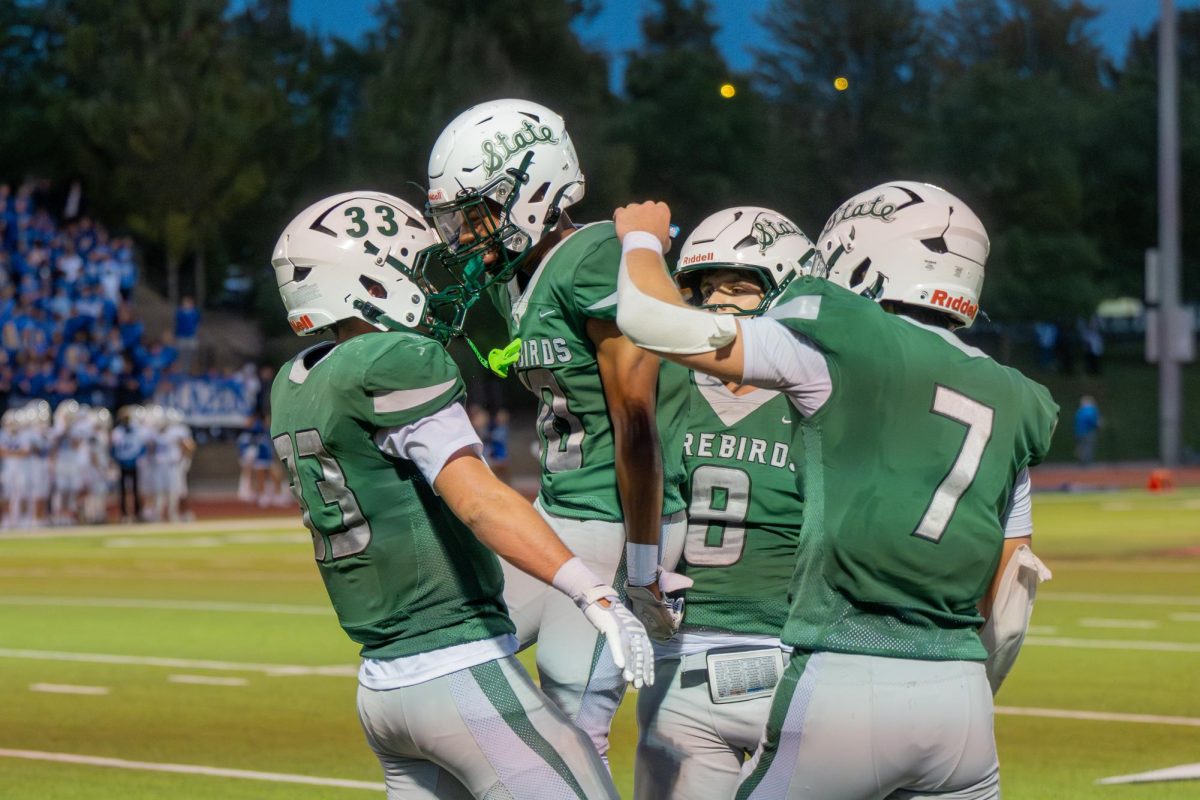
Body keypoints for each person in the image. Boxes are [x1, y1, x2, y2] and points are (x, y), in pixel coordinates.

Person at [612, 182, 1059, 799]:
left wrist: (639, 237)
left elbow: (648, 319)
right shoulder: (1013, 395)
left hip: (845, 676)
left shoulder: (843, 340)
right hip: (961, 703)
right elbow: (1011, 599)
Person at [269, 191, 652, 799]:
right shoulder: (396, 360)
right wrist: (592, 592)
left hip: (382, 687)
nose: (429, 284)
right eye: (412, 267)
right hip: (455, 670)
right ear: (369, 277)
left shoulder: (296, 382)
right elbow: (478, 501)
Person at [426, 98, 689, 762]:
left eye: (477, 214)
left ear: (535, 189)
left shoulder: (596, 255)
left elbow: (638, 420)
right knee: (449, 659)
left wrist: (643, 565)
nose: (463, 236)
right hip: (562, 509)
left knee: (574, 716)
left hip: (620, 516)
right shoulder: (520, 281)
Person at [633, 207, 818, 800]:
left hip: (787, 648)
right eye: (706, 289)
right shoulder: (672, 386)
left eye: (738, 287)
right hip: (682, 645)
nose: (718, 303)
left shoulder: (814, 396)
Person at [1074, 395, 1101, 466]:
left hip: (1079, 432)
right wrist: (1097, 425)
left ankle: (1081, 461)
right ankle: (1086, 462)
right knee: (1088, 447)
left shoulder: (1079, 411)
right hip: (1089, 432)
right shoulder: (1091, 410)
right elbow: (1093, 421)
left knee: (1082, 447)